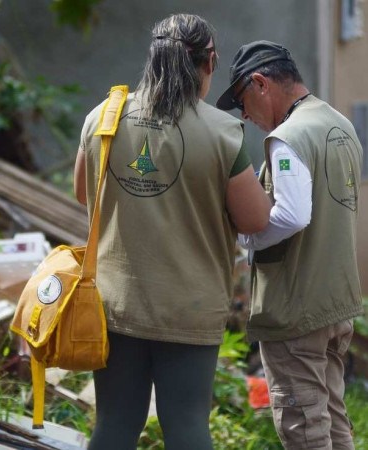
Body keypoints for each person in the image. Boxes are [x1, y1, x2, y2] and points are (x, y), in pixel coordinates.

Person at [73, 14, 271, 450]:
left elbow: (84, 192)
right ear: (209, 62)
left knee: (113, 425)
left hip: (116, 304)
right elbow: (256, 220)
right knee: (186, 428)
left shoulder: (104, 116)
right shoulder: (223, 132)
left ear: (152, 59)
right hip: (189, 306)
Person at [217, 40, 364, 450]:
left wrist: (246, 234)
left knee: (304, 427)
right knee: (332, 419)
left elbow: (292, 215)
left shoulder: (288, 137)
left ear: (261, 83)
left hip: (296, 308)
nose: (245, 116)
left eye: (243, 102)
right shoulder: (338, 124)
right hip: (335, 302)